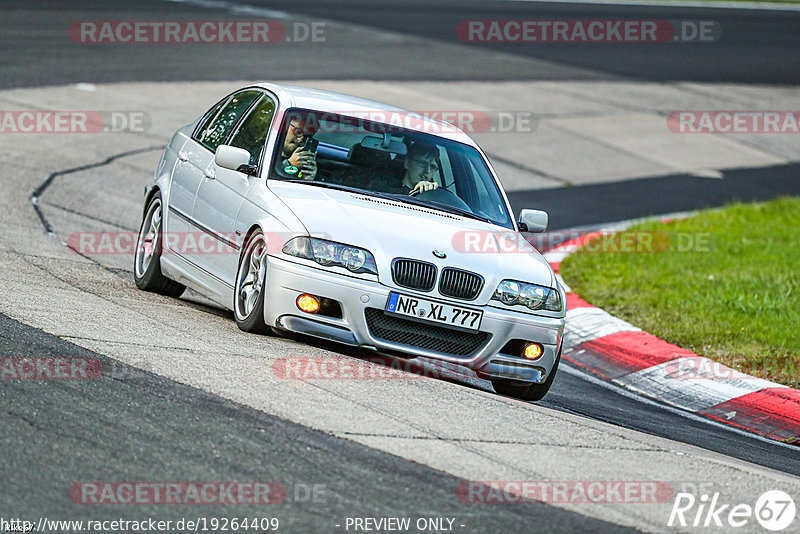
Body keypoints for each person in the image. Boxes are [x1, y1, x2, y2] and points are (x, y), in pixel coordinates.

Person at [371, 142, 440, 194]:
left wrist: (430, 193)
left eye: (432, 167)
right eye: (422, 163)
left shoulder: (433, 197)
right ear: (407, 163)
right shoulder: (382, 188)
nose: (427, 170)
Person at [277, 116, 317, 180]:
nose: (301, 139)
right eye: (298, 132)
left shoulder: (304, 164)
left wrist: (307, 179)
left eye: (307, 137)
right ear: (284, 127)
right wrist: (289, 164)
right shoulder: (266, 151)